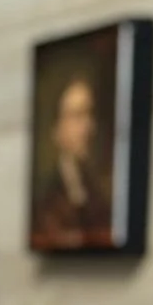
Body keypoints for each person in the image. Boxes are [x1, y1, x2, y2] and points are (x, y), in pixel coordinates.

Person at [30, 74, 113, 247]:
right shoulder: (47, 196)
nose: (88, 126)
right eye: (77, 115)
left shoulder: (97, 192)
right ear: (57, 129)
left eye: (90, 114)